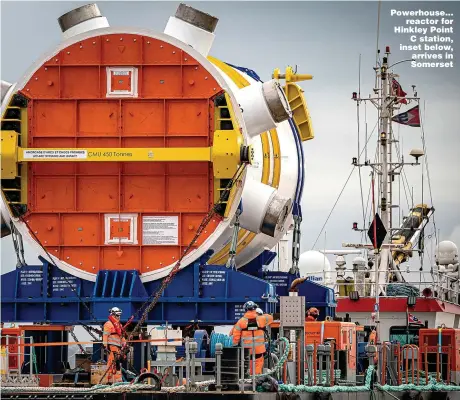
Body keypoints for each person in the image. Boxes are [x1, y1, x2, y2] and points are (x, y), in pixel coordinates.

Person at [231, 301, 273, 375]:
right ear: (255, 309)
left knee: (249, 366)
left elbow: (235, 336)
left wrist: (235, 346)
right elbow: (270, 318)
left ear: (245, 310)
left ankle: (250, 380)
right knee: (258, 366)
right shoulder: (261, 319)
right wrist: (261, 314)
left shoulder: (241, 322)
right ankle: (256, 381)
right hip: (259, 350)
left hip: (247, 350)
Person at [102, 307, 126, 383]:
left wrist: (125, 344)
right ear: (113, 315)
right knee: (116, 363)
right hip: (112, 347)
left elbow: (121, 336)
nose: (119, 317)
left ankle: (110, 380)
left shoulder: (118, 324)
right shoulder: (108, 324)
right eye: (117, 315)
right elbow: (105, 335)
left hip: (117, 347)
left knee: (112, 363)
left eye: (119, 315)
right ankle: (118, 381)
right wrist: (105, 345)